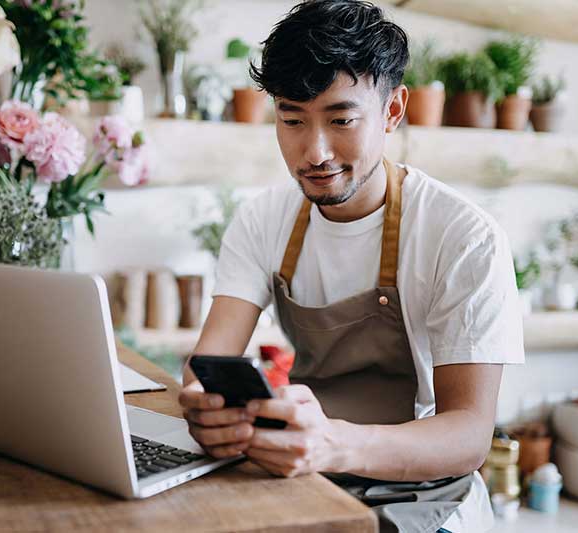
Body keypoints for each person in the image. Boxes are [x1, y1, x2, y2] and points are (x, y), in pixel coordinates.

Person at [178, 1, 524, 531]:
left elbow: (468, 437)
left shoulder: (464, 237)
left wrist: (333, 446)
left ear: (392, 110)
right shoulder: (263, 220)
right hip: (305, 473)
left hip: (425, 493)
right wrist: (208, 410)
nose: (314, 151)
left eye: (341, 119)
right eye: (292, 119)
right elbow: (208, 361)